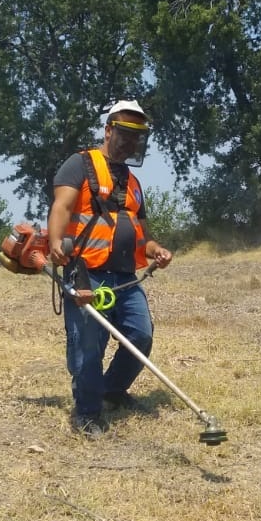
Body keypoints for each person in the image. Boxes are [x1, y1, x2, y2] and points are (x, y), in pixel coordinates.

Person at [45, 100, 174, 437]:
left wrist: (156, 249)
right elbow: (61, 206)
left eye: (138, 136)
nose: (131, 142)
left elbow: (140, 234)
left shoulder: (132, 183)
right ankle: (86, 414)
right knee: (90, 345)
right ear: (108, 129)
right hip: (85, 271)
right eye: (126, 134)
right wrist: (56, 242)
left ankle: (112, 390)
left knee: (140, 335)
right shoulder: (80, 164)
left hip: (124, 277)